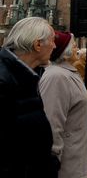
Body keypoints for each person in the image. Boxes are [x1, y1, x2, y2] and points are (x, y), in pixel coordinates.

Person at [0, 17, 59, 177]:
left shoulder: (28, 77)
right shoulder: (5, 82)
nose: (55, 46)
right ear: (37, 44)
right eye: (52, 40)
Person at [39, 32, 87, 178]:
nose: (77, 49)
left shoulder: (67, 73)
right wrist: (52, 165)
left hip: (76, 160)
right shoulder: (57, 77)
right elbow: (52, 124)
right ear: (66, 52)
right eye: (74, 45)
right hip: (66, 167)